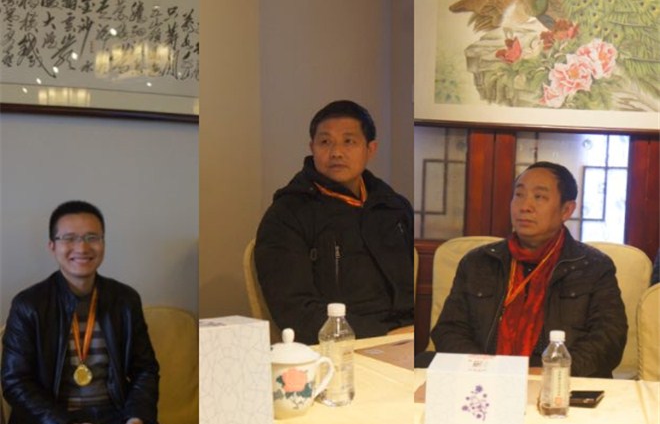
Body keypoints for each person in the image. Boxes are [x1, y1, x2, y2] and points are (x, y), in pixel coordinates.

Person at [1, 201, 198, 424]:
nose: (82, 248)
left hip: (116, 419)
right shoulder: (29, 305)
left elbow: (145, 369)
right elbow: (15, 382)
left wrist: (135, 420)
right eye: (69, 238)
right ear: (52, 246)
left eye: (92, 237)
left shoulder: (125, 300)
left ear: (103, 243)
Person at [430, 162, 627, 378]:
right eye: (519, 195)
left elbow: (609, 338)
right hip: (484, 381)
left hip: (560, 383)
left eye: (539, 197)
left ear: (566, 210)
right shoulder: (478, 262)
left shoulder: (593, 266)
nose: (525, 206)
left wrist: (553, 372)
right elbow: (449, 329)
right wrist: (485, 370)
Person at [255, 100, 414, 344]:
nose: (336, 152)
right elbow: (296, 311)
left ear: (370, 149)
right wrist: (385, 336)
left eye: (349, 141)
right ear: (312, 147)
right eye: (325, 142)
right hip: (340, 344)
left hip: (406, 338)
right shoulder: (287, 214)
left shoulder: (393, 207)